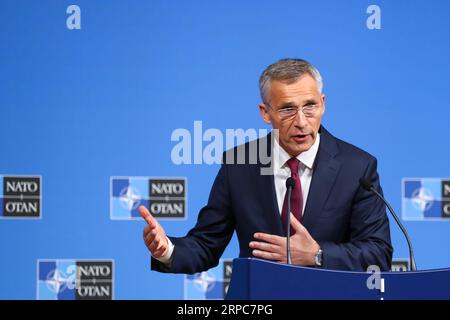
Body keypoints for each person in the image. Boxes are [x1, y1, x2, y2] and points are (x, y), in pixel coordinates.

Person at [139, 58, 393, 273]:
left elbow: (377, 254)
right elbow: (206, 245)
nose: (302, 122)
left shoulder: (357, 167)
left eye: (310, 106)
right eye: (287, 110)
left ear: (323, 103)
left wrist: (317, 255)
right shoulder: (239, 164)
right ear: (265, 112)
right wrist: (167, 249)